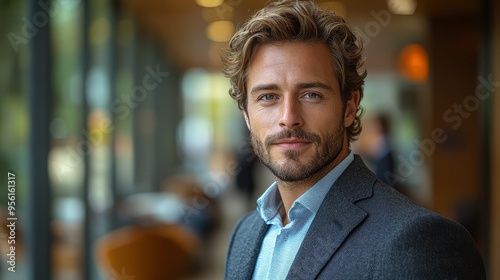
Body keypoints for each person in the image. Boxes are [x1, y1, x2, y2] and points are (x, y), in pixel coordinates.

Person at [221, 0, 486, 279]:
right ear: (247, 115)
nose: (289, 117)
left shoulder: (422, 243)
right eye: (268, 97)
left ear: (349, 107)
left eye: (311, 94)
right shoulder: (245, 234)